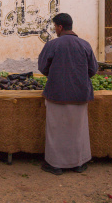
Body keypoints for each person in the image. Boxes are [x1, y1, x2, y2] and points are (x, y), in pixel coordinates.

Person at [38, 13, 98, 175]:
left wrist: (57, 75)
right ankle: (78, 164)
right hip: (80, 94)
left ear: (60, 27)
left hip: (56, 94)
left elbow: (43, 68)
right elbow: (93, 70)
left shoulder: (52, 45)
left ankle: (55, 165)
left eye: (55, 27)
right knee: (77, 131)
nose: (55, 30)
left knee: (56, 131)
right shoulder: (85, 45)